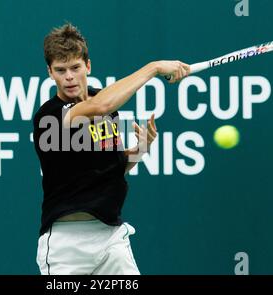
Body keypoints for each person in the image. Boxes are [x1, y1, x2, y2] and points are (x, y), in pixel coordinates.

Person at [33, 23, 189, 275]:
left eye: (75, 67)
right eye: (61, 70)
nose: (69, 77)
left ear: (88, 66)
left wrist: (141, 149)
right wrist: (155, 67)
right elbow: (101, 105)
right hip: (66, 247)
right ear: (50, 72)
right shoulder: (49, 116)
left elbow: (112, 168)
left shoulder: (106, 110)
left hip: (110, 238)